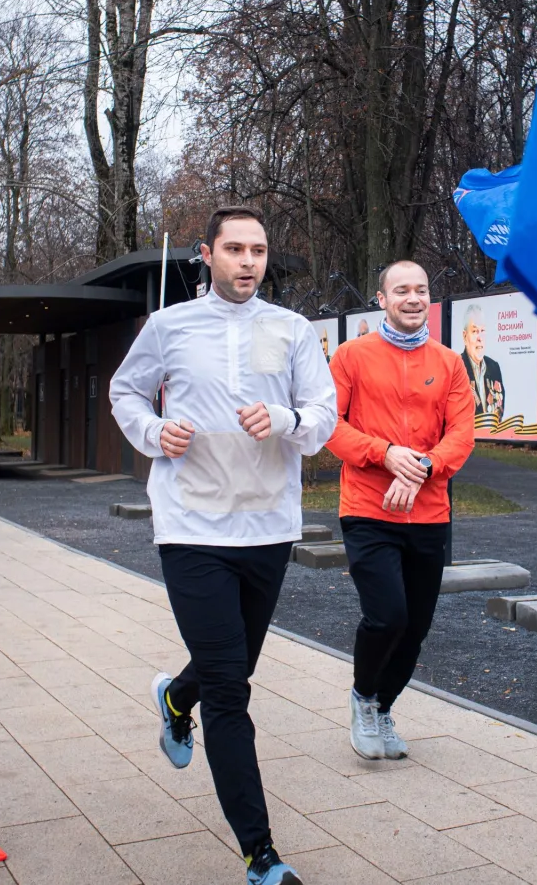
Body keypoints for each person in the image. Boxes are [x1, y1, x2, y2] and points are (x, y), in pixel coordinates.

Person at [110, 205, 336, 885]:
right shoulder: (169, 326)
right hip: (191, 526)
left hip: (268, 525)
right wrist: (154, 433)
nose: (247, 261)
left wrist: (286, 418)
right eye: (234, 248)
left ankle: (178, 700)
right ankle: (260, 855)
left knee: (225, 670)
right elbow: (126, 392)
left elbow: (322, 418)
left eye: (258, 250)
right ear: (206, 255)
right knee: (232, 691)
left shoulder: (291, 331)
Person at [326, 261, 475, 759]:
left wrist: (424, 468)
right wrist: (386, 453)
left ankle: (383, 707)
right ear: (382, 298)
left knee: (415, 628)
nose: (413, 298)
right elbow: (332, 427)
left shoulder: (450, 363)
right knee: (387, 616)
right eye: (402, 290)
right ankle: (363, 698)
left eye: (421, 290)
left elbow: (461, 435)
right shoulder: (351, 356)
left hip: (429, 513)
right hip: (369, 509)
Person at [459, 305, 504, 418]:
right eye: (474, 331)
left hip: (491, 435)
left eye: (482, 330)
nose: (480, 337)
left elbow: (500, 409)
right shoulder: (456, 366)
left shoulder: (494, 367)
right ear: (465, 337)